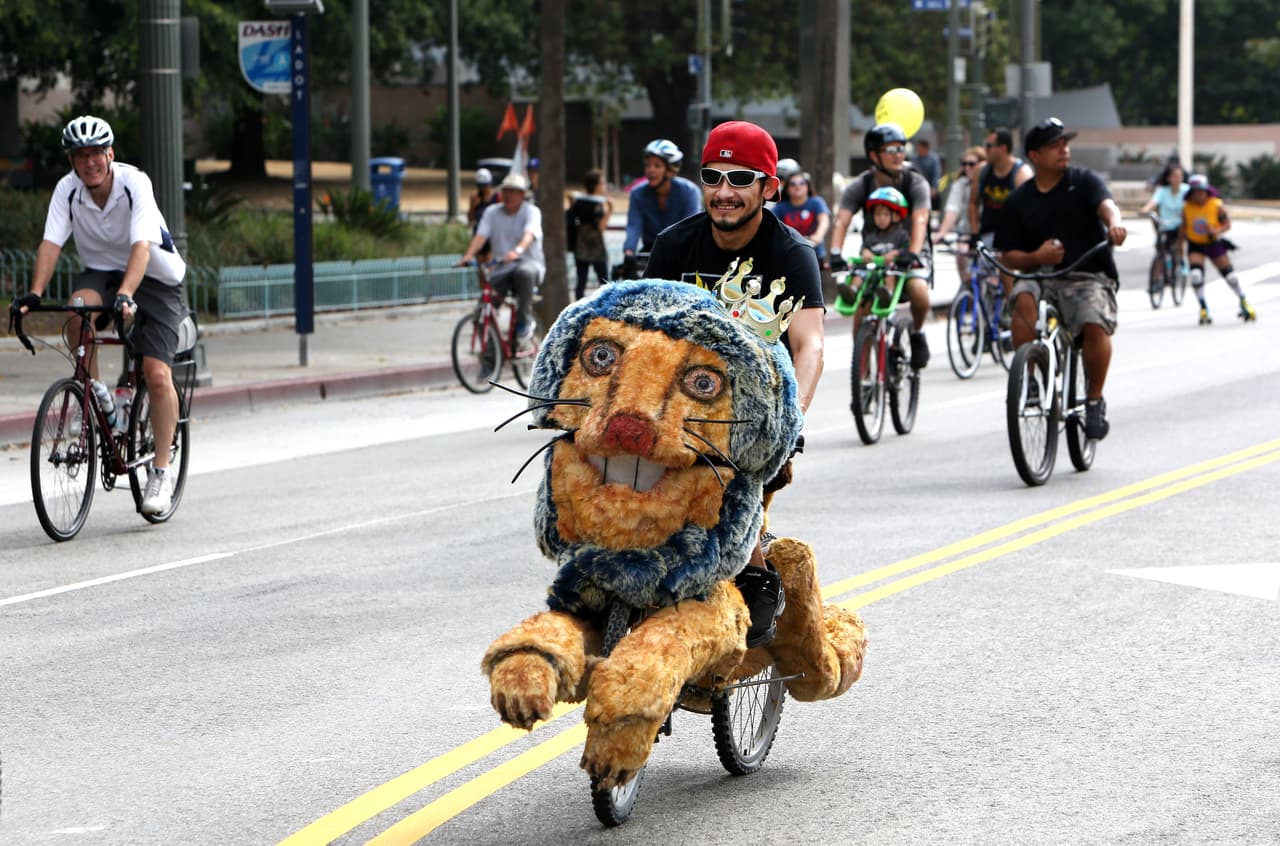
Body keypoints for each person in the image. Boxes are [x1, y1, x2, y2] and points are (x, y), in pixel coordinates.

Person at [645, 120, 825, 649]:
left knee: (731, 491)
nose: (724, 192)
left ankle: (756, 574)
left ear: (769, 187)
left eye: (740, 178)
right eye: (713, 176)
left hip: (756, 414)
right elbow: (642, 336)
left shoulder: (791, 254)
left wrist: (791, 418)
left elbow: (809, 346)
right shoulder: (674, 247)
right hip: (678, 411)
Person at [10, 115, 188, 514]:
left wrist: (127, 293)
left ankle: (161, 472)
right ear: (72, 161)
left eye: (95, 154)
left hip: (154, 275)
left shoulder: (134, 183)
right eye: (80, 156)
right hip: (102, 273)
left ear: (110, 155)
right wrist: (34, 294)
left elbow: (141, 245)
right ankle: (95, 390)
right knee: (76, 312)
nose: (88, 162)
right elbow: (51, 243)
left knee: (157, 374)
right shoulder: (67, 191)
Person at [994, 117, 1126, 441]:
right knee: (1022, 298)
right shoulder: (1018, 201)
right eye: (1055, 145)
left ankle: (1094, 400)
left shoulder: (1083, 181)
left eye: (1065, 143)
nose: (1063, 149)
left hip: (1087, 274)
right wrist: (1036, 258)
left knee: (1094, 323)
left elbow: (1107, 205)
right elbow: (1007, 255)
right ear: (1034, 156)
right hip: (1041, 278)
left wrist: (1115, 224)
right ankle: (1033, 379)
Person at [828, 122, 933, 369]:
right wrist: (835, 253)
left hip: (908, 254)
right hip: (873, 255)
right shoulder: (861, 185)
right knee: (862, 308)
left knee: (918, 290)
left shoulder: (915, 182)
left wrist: (912, 253)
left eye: (901, 148)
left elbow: (920, 219)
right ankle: (862, 375)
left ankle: (917, 332)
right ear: (874, 155)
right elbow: (842, 220)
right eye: (891, 149)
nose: (899, 154)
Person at [457, 172, 544, 339]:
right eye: (506, 191)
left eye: (514, 191)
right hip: (501, 268)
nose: (509, 195)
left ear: (522, 194)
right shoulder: (492, 212)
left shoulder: (531, 212)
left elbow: (529, 235)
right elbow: (480, 236)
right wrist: (468, 255)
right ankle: (490, 357)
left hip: (527, 263)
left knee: (524, 273)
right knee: (483, 311)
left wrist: (517, 251)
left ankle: (523, 322)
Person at [969, 127, 1033, 308]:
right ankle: (981, 314)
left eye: (989, 146)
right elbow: (973, 203)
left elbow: (1028, 212)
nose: (985, 150)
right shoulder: (982, 171)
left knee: (1006, 268)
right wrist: (974, 233)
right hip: (988, 233)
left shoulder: (1021, 174)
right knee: (973, 272)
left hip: (1013, 238)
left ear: (1003, 148)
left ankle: (1013, 308)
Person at [621, 139, 702, 277]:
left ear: (670, 170)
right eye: (648, 165)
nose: (650, 170)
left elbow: (692, 227)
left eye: (657, 166)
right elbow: (634, 226)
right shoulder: (637, 193)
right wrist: (629, 252)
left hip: (681, 250)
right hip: (650, 251)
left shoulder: (689, 192)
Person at [1181, 173, 1255, 324]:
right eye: (1196, 192)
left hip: (1213, 242)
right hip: (1195, 244)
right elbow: (1182, 229)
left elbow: (1227, 224)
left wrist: (1217, 231)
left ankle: (1243, 300)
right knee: (1195, 275)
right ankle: (1203, 307)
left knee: (1231, 277)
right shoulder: (1187, 208)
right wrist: (1179, 250)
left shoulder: (1216, 205)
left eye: (1201, 192)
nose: (1199, 195)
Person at [931, 145, 986, 291]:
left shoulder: (988, 183)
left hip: (986, 231)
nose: (968, 168)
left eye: (972, 164)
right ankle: (967, 290)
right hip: (967, 231)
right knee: (961, 253)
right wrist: (942, 232)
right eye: (964, 164)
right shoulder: (961, 184)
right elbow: (952, 209)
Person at [566, 168, 613, 300]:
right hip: (596, 245)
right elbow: (601, 227)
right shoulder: (598, 204)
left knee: (581, 281)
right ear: (596, 185)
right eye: (602, 183)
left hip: (580, 244)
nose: (604, 186)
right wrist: (610, 209)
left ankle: (578, 306)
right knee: (604, 281)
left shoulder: (580, 201)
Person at [1140, 160, 1189, 286]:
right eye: (1175, 176)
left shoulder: (1186, 190)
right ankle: (1156, 280)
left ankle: (1181, 262)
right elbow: (1153, 202)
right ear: (1168, 178)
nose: (1178, 179)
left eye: (1180, 176)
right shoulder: (1162, 191)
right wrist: (1145, 209)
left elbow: (1191, 205)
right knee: (1161, 251)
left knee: (1179, 243)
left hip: (1180, 225)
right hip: (1165, 225)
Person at [770, 169, 830, 260]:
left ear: (808, 186)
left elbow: (824, 221)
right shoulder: (781, 207)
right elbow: (770, 224)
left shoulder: (816, 202)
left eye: (802, 183)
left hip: (815, 253)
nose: (798, 186)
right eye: (793, 184)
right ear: (787, 188)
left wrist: (818, 235)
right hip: (789, 253)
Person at [911, 137, 942, 210]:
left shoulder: (934, 159)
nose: (918, 150)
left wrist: (934, 188)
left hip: (931, 189)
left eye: (920, 148)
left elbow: (936, 174)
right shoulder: (914, 159)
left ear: (925, 148)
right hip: (917, 188)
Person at [467, 167, 496, 233]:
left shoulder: (497, 197)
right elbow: (471, 220)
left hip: (493, 232)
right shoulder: (475, 197)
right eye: (480, 186)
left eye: (485, 185)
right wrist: (473, 207)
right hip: (479, 232)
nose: (483, 189)